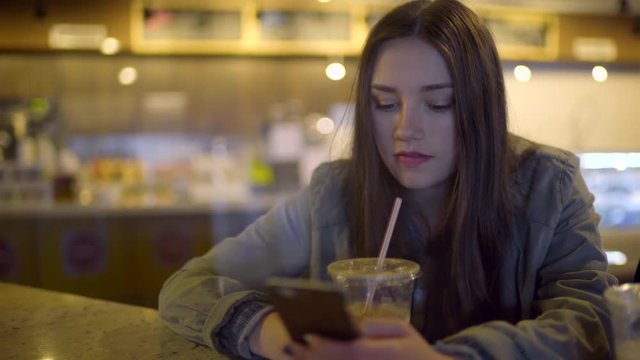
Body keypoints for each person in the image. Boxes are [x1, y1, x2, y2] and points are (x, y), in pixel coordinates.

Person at [158, 0, 618, 359]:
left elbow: (591, 324)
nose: (405, 129)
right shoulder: (333, 194)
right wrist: (275, 335)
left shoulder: (548, 185)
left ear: (481, 108)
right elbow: (189, 286)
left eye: (438, 103)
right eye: (384, 103)